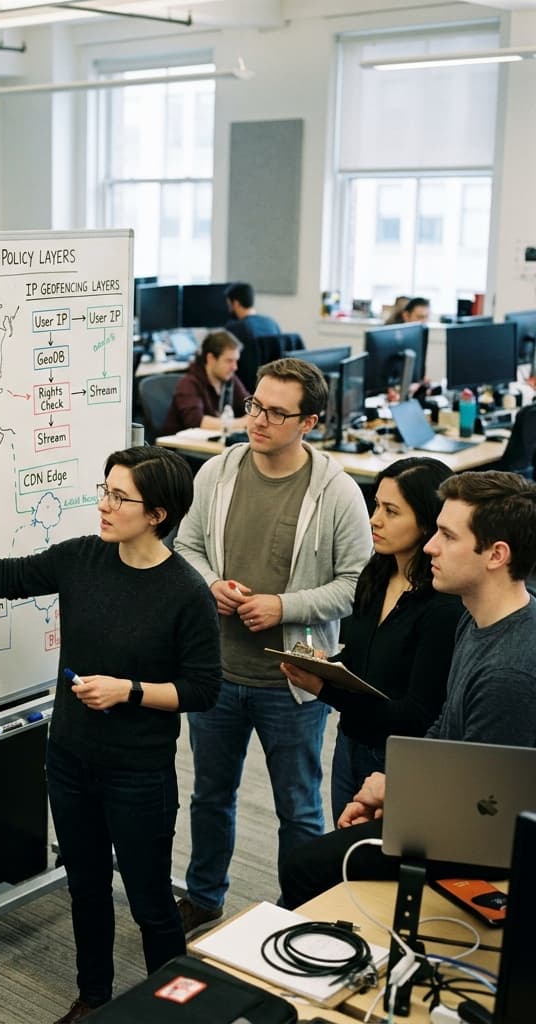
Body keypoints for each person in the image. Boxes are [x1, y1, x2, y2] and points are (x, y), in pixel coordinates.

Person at [0, 446, 221, 1024]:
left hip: (138, 772)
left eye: (119, 497)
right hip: (70, 760)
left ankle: (174, 1012)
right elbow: (5, 577)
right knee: (85, 887)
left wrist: (128, 690)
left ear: (158, 513)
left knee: (151, 902)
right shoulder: (84, 557)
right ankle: (93, 998)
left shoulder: (185, 590)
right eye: (103, 490)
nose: (103, 505)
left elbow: (203, 689)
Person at [173, 357, 372, 931]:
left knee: (299, 809)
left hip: (294, 682)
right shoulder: (220, 470)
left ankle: (301, 912)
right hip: (217, 672)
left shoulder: (335, 492)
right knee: (210, 796)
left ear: (309, 422)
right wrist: (211, 583)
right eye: (254, 405)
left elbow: (357, 585)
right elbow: (185, 546)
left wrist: (284, 607)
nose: (257, 421)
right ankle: (205, 895)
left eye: (276, 413)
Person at [280, 470, 536, 909]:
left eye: (447, 536)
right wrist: (395, 787)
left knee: (305, 867)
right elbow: (445, 730)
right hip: (447, 808)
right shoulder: (474, 621)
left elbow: (481, 810)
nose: (431, 546)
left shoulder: (507, 675)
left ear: (496, 554)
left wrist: (396, 798)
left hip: (477, 845)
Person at [280, 457, 463, 823]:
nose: (374, 519)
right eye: (376, 504)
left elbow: (415, 715)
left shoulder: (444, 604)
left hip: (397, 761)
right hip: (350, 741)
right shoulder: (375, 573)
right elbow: (362, 667)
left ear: (428, 521)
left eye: (391, 511)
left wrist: (324, 688)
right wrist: (326, 666)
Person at [160, 330, 251, 436]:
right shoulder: (189, 383)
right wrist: (242, 422)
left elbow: (250, 406)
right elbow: (196, 421)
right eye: (229, 361)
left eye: (236, 361)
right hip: (183, 449)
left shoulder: (230, 379)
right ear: (211, 358)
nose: (234, 367)